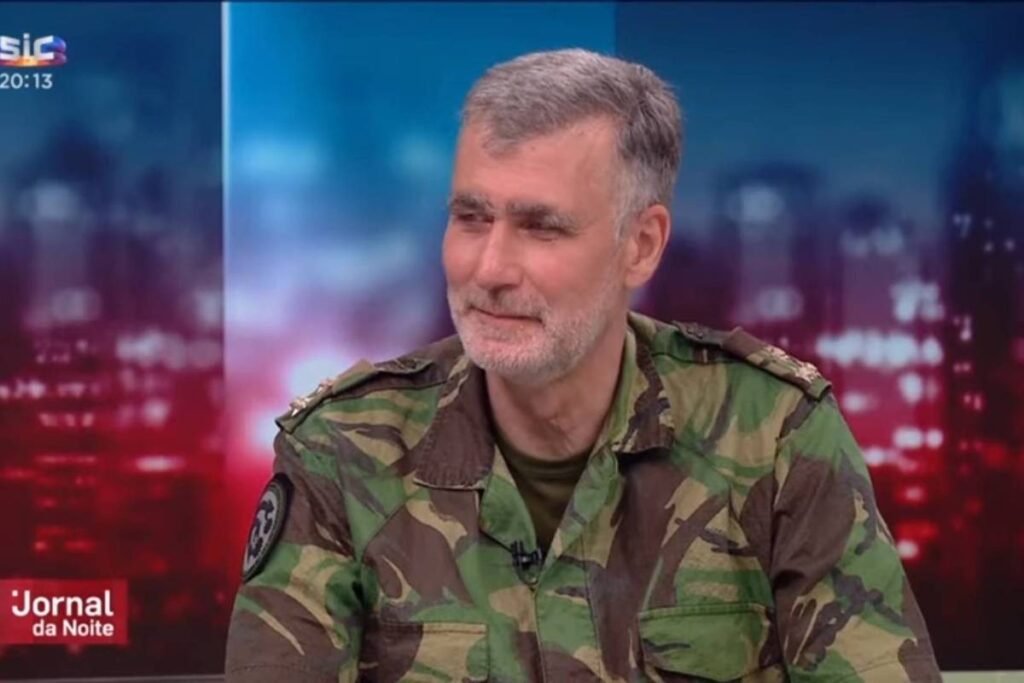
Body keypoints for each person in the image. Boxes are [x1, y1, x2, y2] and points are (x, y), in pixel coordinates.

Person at [224, 48, 941, 682]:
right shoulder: (341, 452)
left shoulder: (775, 436)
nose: (489, 269)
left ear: (642, 245)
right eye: (471, 218)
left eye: (541, 226)